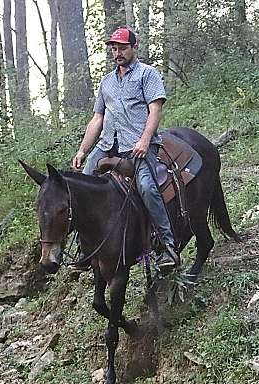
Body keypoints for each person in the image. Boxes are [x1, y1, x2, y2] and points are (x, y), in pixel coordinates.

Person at [72, 27, 179, 270]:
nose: (117, 52)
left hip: (139, 146)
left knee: (147, 187)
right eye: (114, 48)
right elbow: (97, 119)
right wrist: (82, 151)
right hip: (108, 145)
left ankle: (167, 245)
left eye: (122, 47)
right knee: (81, 187)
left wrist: (144, 140)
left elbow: (155, 110)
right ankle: (86, 248)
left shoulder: (147, 75)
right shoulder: (107, 82)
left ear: (133, 48)